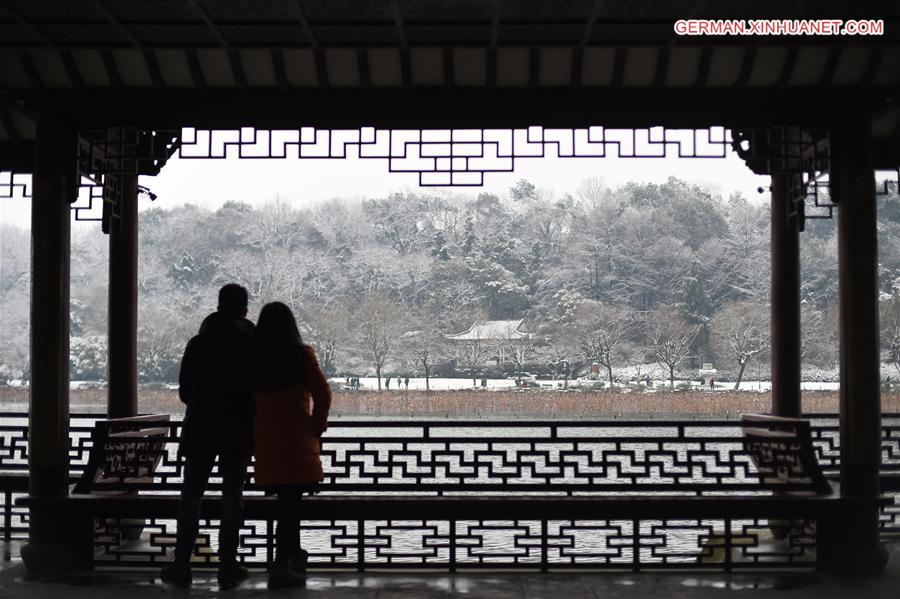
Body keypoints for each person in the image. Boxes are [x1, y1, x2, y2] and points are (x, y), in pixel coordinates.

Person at [161, 284, 255, 588]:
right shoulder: (252, 342)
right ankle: (228, 562)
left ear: (218, 305)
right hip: (238, 429)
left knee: (190, 495)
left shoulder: (199, 342)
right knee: (232, 496)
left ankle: (181, 563)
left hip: (201, 427)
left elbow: (185, 391)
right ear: (244, 309)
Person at [252, 302, 332, 588]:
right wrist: (317, 425)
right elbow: (323, 393)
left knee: (287, 507)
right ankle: (283, 564)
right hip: (297, 442)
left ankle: (287, 561)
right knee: (290, 506)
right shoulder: (300, 356)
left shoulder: (253, 359)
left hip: (267, 443)